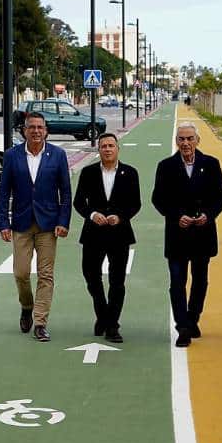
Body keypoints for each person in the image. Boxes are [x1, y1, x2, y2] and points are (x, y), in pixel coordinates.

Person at [152, 121, 222, 347]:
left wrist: (209, 214)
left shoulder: (211, 164)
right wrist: (177, 216)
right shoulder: (165, 166)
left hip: (202, 233)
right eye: (181, 139)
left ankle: (193, 317)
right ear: (176, 142)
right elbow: (158, 198)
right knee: (177, 281)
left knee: (200, 280)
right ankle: (182, 326)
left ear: (197, 140)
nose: (185, 143)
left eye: (189, 139)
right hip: (177, 234)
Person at [0, 112, 71, 343]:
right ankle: (27, 306)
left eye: (40, 127)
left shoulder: (57, 155)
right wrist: (3, 223)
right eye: (32, 127)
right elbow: (3, 192)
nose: (36, 131)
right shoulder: (12, 156)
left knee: (46, 275)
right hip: (21, 223)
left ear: (46, 130)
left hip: (49, 225)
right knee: (20, 273)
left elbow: (66, 192)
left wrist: (63, 221)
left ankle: (40, 322)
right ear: (24, 131)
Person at [73, 133, 141, 343]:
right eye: (104, 146)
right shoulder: (88, 172)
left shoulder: (130, 173)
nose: (108, 149)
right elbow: (79, 202)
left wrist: (120, 216)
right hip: (93, 234)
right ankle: (103, 314)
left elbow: (135, 203)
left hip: (119, 234)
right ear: (99, 150)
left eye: (111, 145)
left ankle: (112, 325)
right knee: (91, 277)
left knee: (117, 281)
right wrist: (93, 215)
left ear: (117, 148)